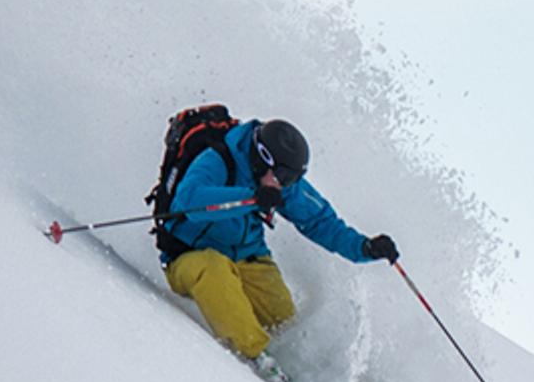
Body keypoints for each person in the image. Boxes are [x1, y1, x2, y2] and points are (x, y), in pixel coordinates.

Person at [155, 116, 399, 364]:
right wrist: (251, 197)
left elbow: (320, 221)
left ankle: (291, 368)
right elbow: (189, 202)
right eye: (283, 176)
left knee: (284, 325)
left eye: (292, 179)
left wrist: (364, 247)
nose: (286, 185)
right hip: (188, 257)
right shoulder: (218, 159)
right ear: (263, 160)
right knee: (214, 269)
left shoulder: (281, 184)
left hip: (249, 258)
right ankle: (255, 357)